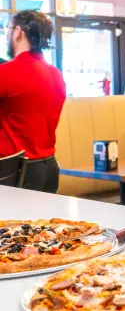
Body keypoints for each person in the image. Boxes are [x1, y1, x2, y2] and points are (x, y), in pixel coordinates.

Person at [0, 10, 66, 192]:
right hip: (49, 168)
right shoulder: (56, 74)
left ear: (18, 32)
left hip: (17, 172)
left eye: (8, 29)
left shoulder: (8, 72)